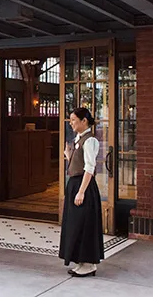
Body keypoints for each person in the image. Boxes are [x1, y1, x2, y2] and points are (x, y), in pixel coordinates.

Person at [59, 107, 104, 277]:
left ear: (84, 121)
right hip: (76, 185)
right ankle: (81, 262)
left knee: (84, 225)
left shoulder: (90, 140)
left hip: (83, 186)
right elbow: (79, 164)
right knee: (75, 225)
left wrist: (81, 192)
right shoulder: (78, 139)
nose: (71, 123)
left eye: (74, 120)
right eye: (70, 120)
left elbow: (90, 168)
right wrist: (69, 155)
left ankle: (89, 264)